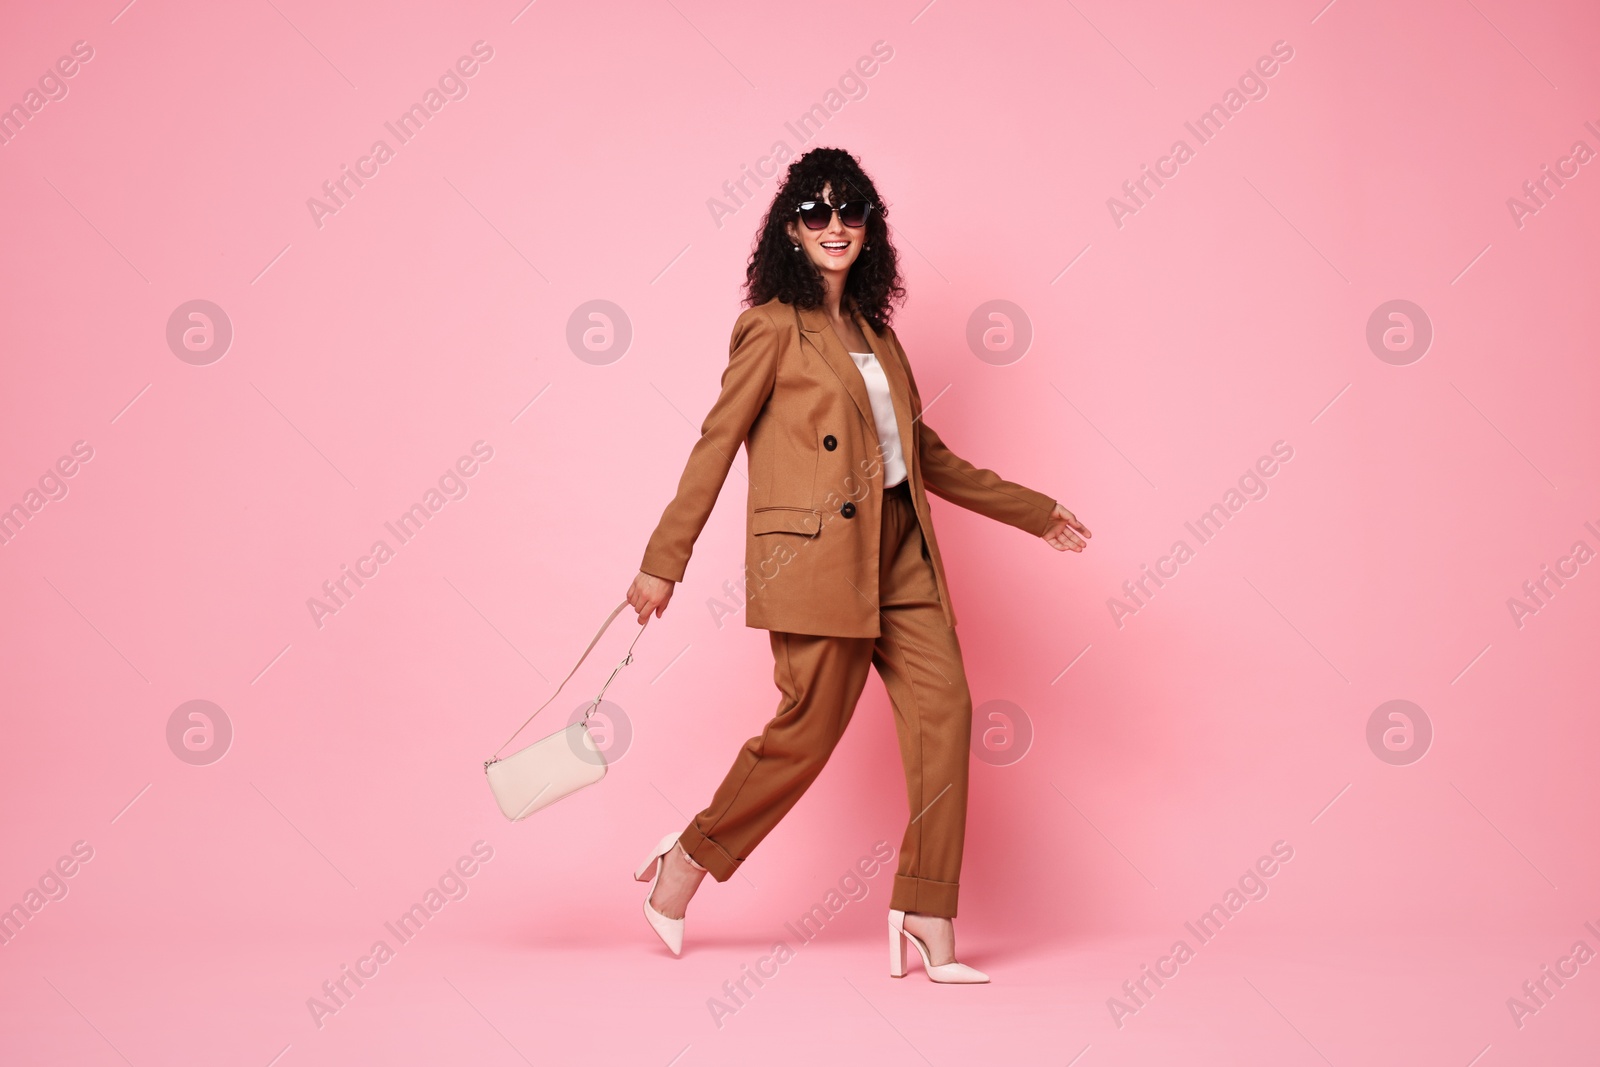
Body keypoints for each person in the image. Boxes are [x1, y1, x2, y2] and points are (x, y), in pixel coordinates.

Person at [625, 147, 1091, 982]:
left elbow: (926, 455)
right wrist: (666, 560)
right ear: (789, 228)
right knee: (805, 736)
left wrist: (1033, 510)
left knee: (947, 713)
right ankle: (687, 860)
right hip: (816, 561)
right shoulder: (770, 326)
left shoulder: (879, 334)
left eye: (851, 212)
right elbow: (716, 443)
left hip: (901, 550)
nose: (834, 226)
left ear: (870, 229)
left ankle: (926, 909)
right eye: (815, 211)